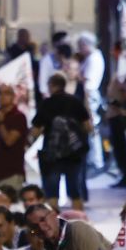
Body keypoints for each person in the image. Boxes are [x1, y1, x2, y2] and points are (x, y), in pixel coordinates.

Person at [32, 73, 93, 207]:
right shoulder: (75, 101)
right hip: (74, 154)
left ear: (51, 86)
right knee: (75, 193)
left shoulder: (46, 104)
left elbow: (35, 131)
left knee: (52, 195)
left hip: (52, 155)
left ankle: (53, 224)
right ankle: (78, 222)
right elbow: (88, 127)